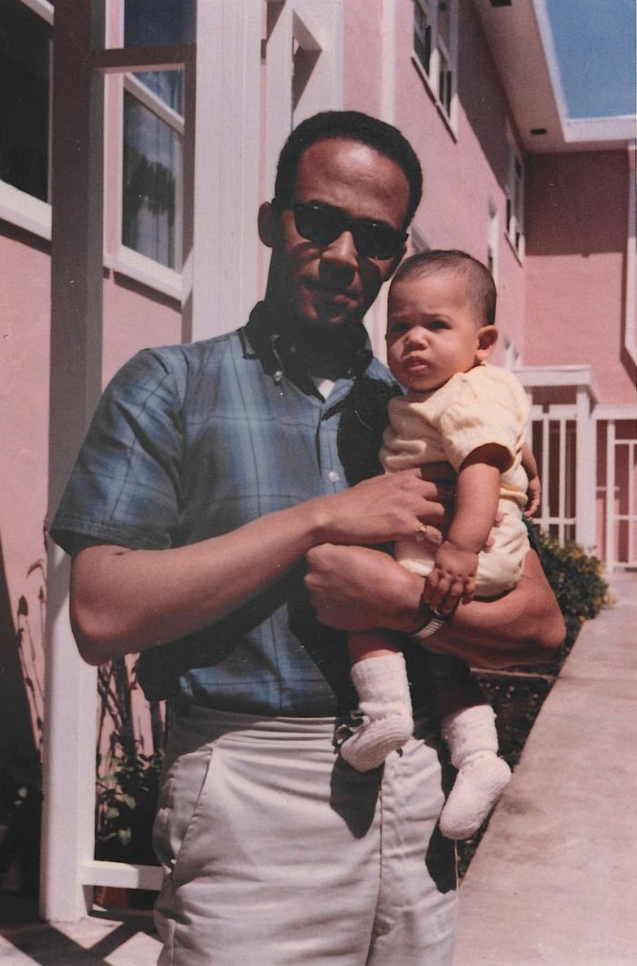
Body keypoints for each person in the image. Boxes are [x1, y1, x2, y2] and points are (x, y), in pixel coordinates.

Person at [50, 111, 564, 966]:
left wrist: (405, 605)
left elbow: (539, 629)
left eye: (373, 236)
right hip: (252, 790)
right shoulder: (173, 387)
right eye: (316, 220)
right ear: (271, 220)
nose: (341, 255)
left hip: (413, 791)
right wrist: (318, 522)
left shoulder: (428, 409)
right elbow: (99, 614)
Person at [340, 250, 540, 841]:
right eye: (399, 327)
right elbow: (510, 448)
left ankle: (385, 714)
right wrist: (529, 467)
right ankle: (479, 759)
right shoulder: (486, 389)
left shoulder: (461, 396)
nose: (414, 341)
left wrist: (458, 551)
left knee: (356, 595)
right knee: (445, 661)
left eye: (435, 325)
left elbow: (479, 470)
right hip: (483, 538)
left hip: (460, 539)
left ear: (483, 341)